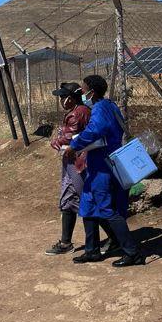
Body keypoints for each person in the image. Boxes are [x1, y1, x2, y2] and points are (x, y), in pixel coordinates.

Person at [63, 75, 144, 267]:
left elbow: (94, 131)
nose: (82, 93)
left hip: (103, 165)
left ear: (92, 90)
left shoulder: (99, 109)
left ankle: (132, 252)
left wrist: (74, 144)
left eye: (83, 90)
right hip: (99, 163)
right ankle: (92, 251)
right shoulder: (109, 105)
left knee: (107, 209)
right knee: (88, 206)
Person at [45, 82, 116, 256]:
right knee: (68, 199)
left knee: (89, 200)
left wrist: (56, 140)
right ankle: (65, 242)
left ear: (72, 97)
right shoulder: (80, 110)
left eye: (63, 97)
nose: (61, 100)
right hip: (73, 162)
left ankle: (115, 237)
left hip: (78, 163)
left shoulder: (78, 113)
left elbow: (69, 137)